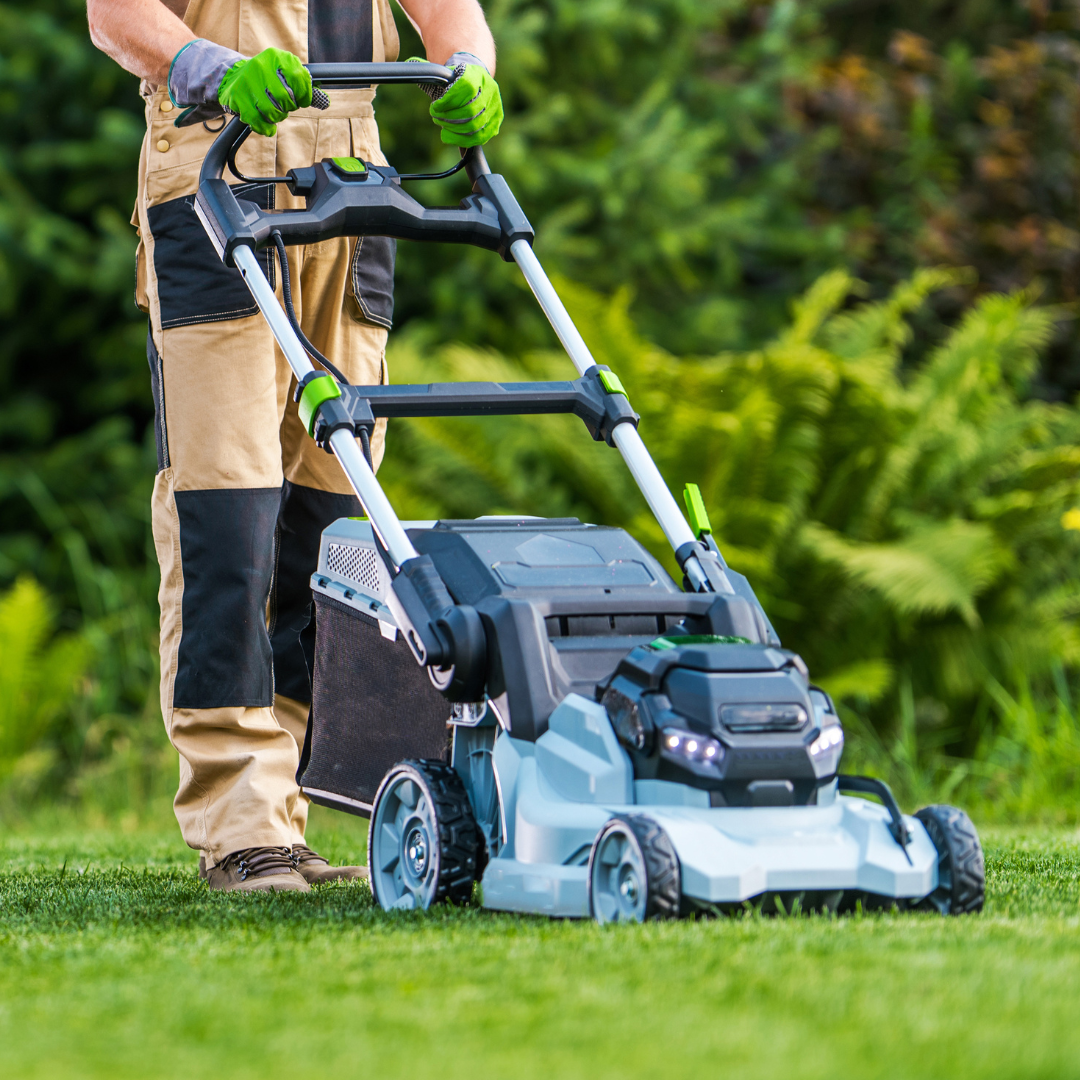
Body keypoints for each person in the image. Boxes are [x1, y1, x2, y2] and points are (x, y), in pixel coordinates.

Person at [86, 0, 503, 892]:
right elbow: (112, 13)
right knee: (226, 511)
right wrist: (209, 67)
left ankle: (290, 814)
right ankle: (240, 818)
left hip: (354, 178)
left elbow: (451, 14)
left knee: (331, 519)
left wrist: (470, 70)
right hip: (215, 156)